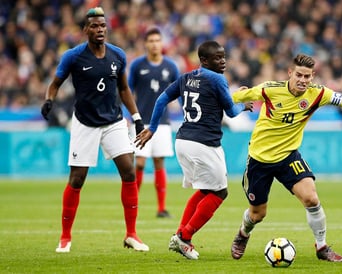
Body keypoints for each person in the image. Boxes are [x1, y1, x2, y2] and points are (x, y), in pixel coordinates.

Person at [230, 53, 342, 262]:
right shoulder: (269, 89)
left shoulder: (318, 94)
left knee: (311, 198)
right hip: (259, 160)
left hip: (288, 156)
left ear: (312, 76)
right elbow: (234, 97)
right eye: (299, 75)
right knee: (257, 214)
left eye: (307, 77)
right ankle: (243, 234)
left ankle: (322, 246)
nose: (303, 80)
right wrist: (235, 97)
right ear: (290, 73)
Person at [40, 7, 149, 253]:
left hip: (113, 122)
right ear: (85, 30)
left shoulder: (118, 55)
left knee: (129, 171)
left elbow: (123, 89)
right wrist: (49, 100)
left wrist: (137, 117)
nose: (100, 30)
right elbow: (55, 84)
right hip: (85, 123)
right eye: (94, 26)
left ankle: (131, 234)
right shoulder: (73, 56)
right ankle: (65, 237)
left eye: (103, 26)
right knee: (77, 179)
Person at [135, 40, 253, 260]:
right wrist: (243, 106)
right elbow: (231, 112)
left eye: (223, 56)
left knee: (206, 190)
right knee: (220, 192)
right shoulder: (218, 79)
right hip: (204, 144)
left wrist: (152, 127)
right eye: (217, 58)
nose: (223, 61)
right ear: (204, 60)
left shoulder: (186, 77)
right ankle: (185, 235)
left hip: (183, 141)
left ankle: (180, 236)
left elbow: (162, 98)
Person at [128, 27, 180, 218]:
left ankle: (161, 208)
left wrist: (184, 111)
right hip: (141, 121)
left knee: (159, 162)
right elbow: (127, 91)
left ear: (162, 43)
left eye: (158, 40)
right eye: (151, 40)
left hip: (162, 123)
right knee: (140, 162)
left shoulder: (171, 67)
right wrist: (127, 115)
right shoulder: (137, 66)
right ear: (146, 44)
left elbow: (180, 91)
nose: (155, 44)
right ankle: (133, 204)